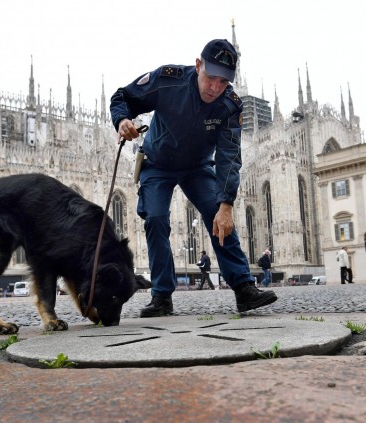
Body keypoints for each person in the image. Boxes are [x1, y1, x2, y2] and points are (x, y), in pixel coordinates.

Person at [110, 39, 277, 317]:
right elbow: (123, 97)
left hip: (197, 167)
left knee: (218, 214)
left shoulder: (229, 105)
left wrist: (226, 205)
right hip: (158, 163)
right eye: (210, 77)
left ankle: (244, 288)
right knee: (156, 218)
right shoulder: (168, 80)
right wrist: (122, 121)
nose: (215, 87)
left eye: (223, 82)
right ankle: (162, 296)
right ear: (198, 65)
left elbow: (229, 157)